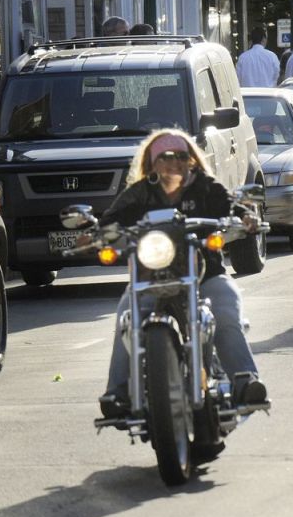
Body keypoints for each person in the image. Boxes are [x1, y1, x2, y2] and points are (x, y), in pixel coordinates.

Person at [97, 129, 267, 419]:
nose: (174, 162)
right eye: (165, 157)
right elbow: (111, 220)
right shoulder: (140, 193)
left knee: (226, 312)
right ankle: (118, 391)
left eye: (181, 156)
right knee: (128, 315)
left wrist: (246, 217)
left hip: (205, 276)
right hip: (150, 279)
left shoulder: (205, 187)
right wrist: (98, 234)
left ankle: (244, 381)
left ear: (192, 161)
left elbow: (232, 207)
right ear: (151, 163)